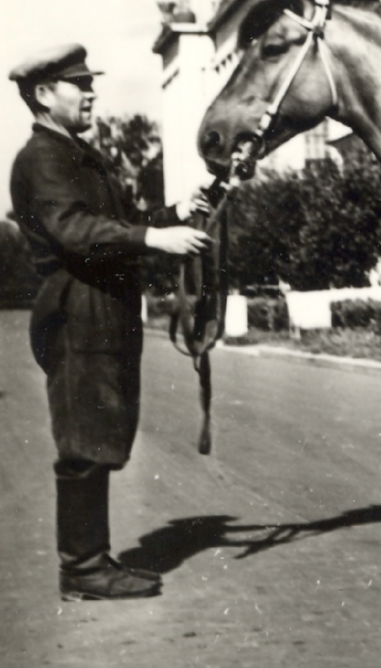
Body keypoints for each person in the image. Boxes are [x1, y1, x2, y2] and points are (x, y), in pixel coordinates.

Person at [8, 43, 213, 601]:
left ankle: (90, 561)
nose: (92, 92)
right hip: (78, 308)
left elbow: (115, 223)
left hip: (98, 308)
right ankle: (82, 568)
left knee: (96, 434)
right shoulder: (45, 158)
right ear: (45, 95)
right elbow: (75, 230)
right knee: (82, 442)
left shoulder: (74, 154)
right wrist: (153, 238)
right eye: (79, 84)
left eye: (90, 82)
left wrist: (172, 215)